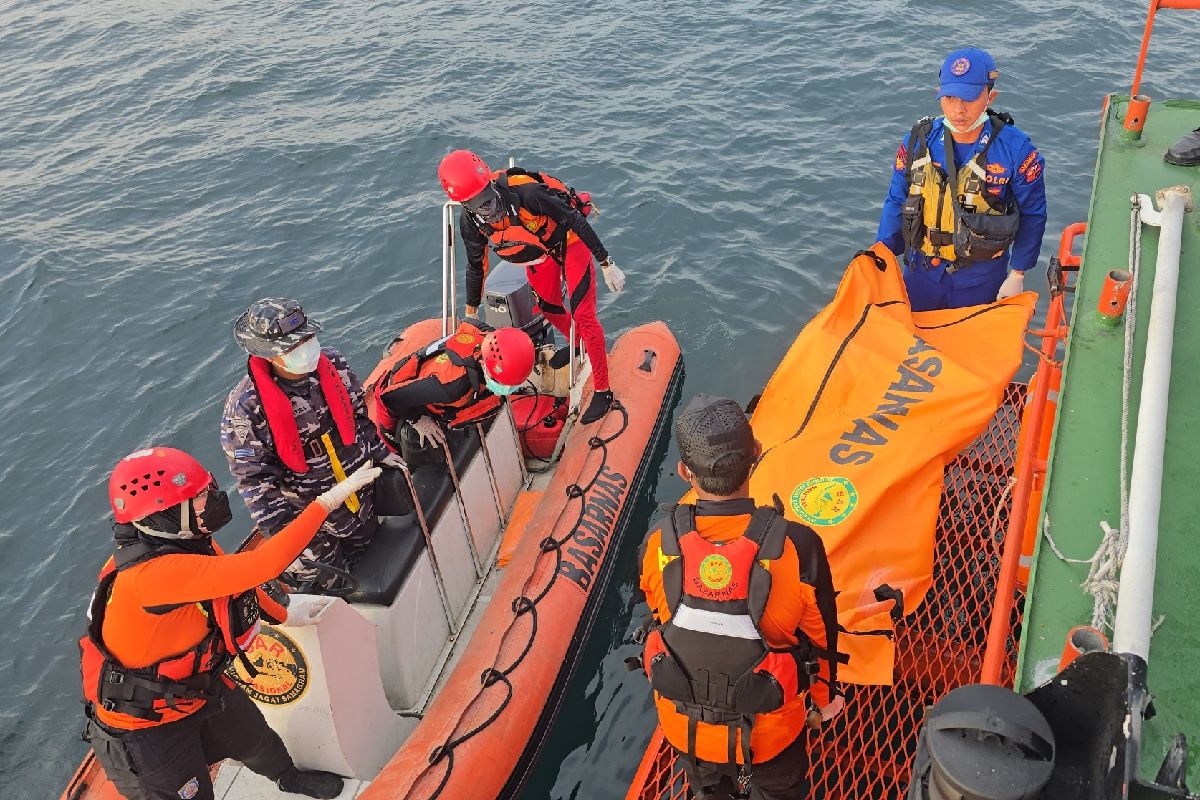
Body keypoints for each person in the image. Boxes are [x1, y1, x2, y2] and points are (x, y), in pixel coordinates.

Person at [80, 446, 380, 800]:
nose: (212, 499)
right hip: (148, 728)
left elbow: (236, 585)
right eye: (199, 497)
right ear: (164, 515)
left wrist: (286, 615)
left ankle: (287, 778)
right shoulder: (153, 576)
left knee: (254, 737)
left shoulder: (188, 546)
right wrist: (325, 503)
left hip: (197, 688)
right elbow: (264, 565)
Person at [636, 395, 843, 800]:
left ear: (683, 472)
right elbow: (822, 640)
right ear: (757, 455)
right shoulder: (798, 545)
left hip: (685, 730)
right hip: (771, 738)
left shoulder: (658, 541)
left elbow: (659, 614)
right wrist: (823, 702)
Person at [221, 298, 402, 589]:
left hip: (359, 494)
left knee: (374, 557)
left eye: (307, 339)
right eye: (293, 346)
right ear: (271, 355)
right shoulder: (246, 407)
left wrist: (382, 452)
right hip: (308, 520)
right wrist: (284, 541)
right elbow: (255, 481)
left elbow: (358, 417)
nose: (305, 349)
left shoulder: (333, 363)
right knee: (333, 585)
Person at [437, 150, 626, 425]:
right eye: (479, 204)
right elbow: (475, 266)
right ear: (465, 205)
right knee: (547, 305)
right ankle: (576, 344)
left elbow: (575, 220)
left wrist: (606, 263)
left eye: (488, 198)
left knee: (584, 317)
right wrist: (471, 311)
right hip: (538, 251)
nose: (489, 207)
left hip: (570, 239)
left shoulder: (526, 194)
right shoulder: (472, 223)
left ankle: (603, 390)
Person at [877, 47, 1047, 311]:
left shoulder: (1016, 150)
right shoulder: (917, 141)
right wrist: (881, 255)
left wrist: (1018, 273)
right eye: (950, 97)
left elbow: (1033, 214)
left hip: (981, 278)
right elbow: (896, 198)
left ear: (991, 96)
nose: (958, 109)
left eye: (969, 98)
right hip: (921, 272)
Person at [372, 320, 536, 460]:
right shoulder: (451, 386)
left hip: (429, 386)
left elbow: (470, 323)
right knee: (394, 449)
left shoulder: (488, 336)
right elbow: (390, 398)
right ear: (484, 366)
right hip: (396, 396)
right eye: (502, 383)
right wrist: (417, 420)